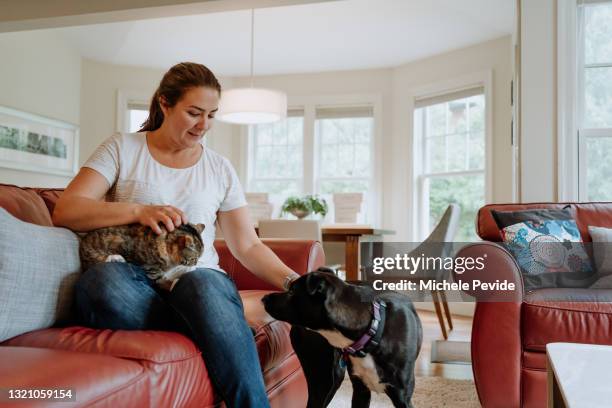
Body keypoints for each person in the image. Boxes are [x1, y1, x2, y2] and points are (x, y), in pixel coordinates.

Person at [52, 62, 300, 407]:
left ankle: (218, 327)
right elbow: (66, 210)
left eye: (212, 115)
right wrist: (139, 210)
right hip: (132, 283)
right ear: (165, 104)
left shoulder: (219, 168)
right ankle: (213, 320)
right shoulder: (122, 148)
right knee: (101, 283)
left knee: (203, 285)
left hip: (196, 281)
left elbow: (247, 244)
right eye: (194, 113)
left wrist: (294, 282)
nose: (204, 125)